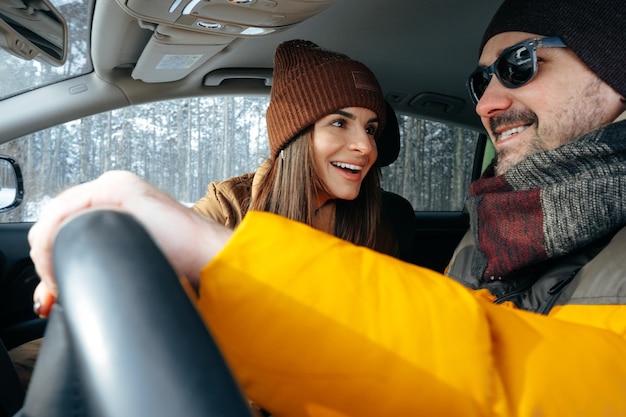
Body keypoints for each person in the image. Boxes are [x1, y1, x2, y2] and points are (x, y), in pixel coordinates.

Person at [27, 0, 626, 416]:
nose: (488, 103)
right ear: (294, 138)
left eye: (519, 64)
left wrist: (224, 261)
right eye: (479, 83)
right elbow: (440, 343)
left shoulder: (386, 218)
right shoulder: (492, 228)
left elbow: (580, 385)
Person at [192, 39, 400, 257]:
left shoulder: (375, 230)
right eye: (339, 123)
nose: (366, 147)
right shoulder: (228, 208)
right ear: (294, 137)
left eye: (370, 129)